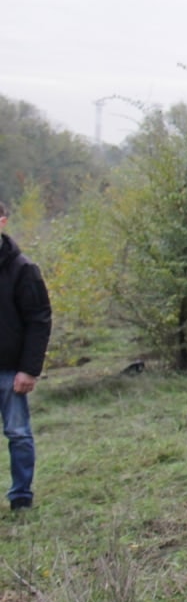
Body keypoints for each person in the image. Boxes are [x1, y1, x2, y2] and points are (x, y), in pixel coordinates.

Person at [0, 202, 51, 512]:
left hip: (10, 371)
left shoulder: (22, 269)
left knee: (18, 435)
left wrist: (29, 370)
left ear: (2, 221)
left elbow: (39, 319)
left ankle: (21, 497)